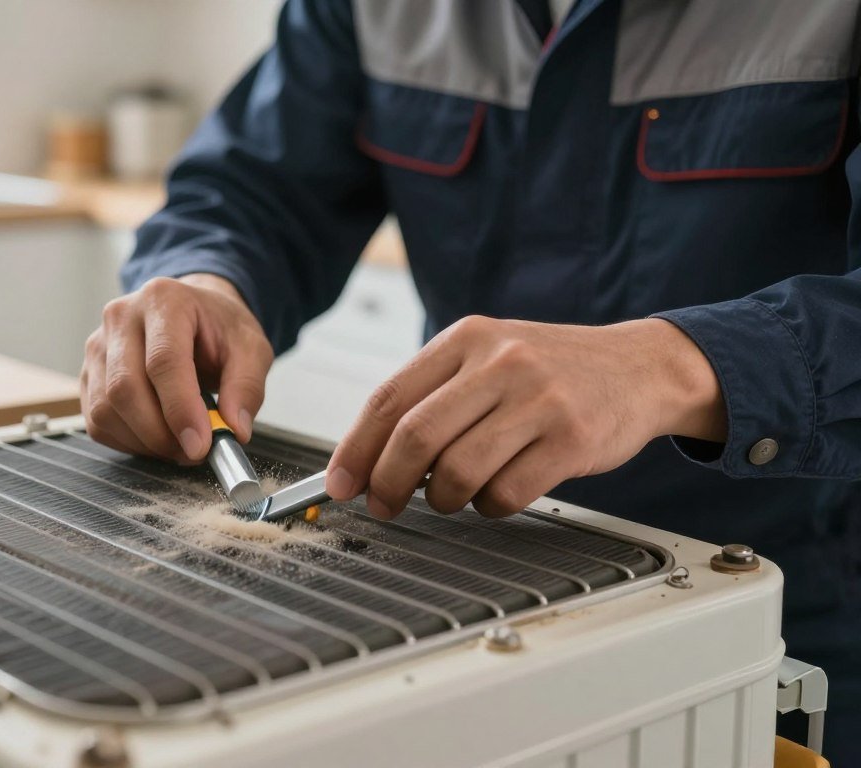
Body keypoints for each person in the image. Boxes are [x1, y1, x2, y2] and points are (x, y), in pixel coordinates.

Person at [80, 0, 861, 760]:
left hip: (793, 593)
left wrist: (669, 365)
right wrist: (207, 282)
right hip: (461, 583)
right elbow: (253, 191)